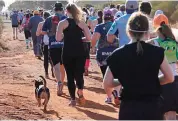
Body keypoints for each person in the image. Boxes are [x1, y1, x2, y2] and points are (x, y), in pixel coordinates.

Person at [103, 12, 174, 120]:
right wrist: (151, 81)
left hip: (129, 109)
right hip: (152, 108)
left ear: (128, 31)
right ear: (147, 31)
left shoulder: (118, 54)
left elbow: (107, 83)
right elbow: (170, 77)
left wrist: (124, 82)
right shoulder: (157, 52)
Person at [56, 3, 91, 106]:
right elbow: (89, 38)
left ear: (66, 11)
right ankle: (80, 91)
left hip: (67, 51)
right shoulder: (81, 23)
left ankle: (72, 100)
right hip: (80, 52)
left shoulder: (62, 23)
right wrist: (79, 39)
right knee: (79, 74)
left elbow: (58, 39)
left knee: (70, 76)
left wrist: (66, 35)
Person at [91, 9, 120, 105]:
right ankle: (116, 92)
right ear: (112, 17)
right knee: (116, 74)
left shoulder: (99, 27)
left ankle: (109, 97)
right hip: (115, 53)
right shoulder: (116, 25)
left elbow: (94, 39)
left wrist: (92, 47)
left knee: (105, 75)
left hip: (102, 55)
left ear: (103, 17)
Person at [153, 15, 178, 120]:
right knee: (172, 114)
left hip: (162, 80)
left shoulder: (154, 42)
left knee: (164, 115)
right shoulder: (175, 43)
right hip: (176, 79)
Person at [42, 2, 66, 96]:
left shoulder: (48, 19)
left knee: (56, 66)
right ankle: (62, 85)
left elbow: (43, 31)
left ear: (54, 9)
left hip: (53, 45)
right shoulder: (65, 19)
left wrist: (49, 32)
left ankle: (59, 82)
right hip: (64, 45)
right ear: (62, 9)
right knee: (62, 67)